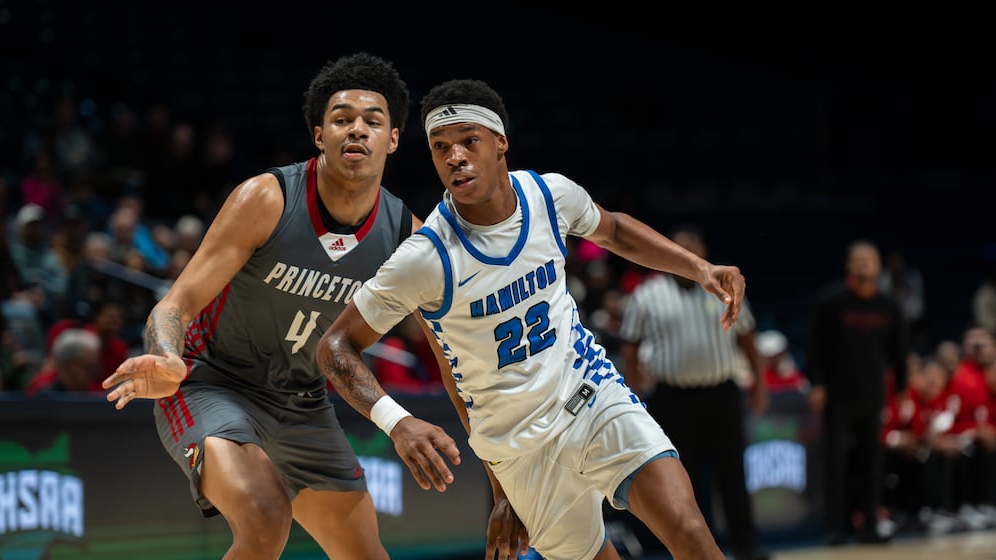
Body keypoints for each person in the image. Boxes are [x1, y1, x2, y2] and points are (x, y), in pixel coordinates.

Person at [317, 78, 746, 560]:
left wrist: (698, 267)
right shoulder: (425, 259)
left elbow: (616, 230)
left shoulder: (551, 195)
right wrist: (399, 424)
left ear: (500, 142)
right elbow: (335, 346)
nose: (455, 156)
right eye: (441, 147)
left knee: (689, 531)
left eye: (468, 141)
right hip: (518, 449)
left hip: (590, 396)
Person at [100, 53, 459, 560]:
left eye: (372, 121)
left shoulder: (407, 237)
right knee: (266, 519)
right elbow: (174, 304)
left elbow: (453, 353)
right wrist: (167, 357)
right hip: (211, 382)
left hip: (302, 400)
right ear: (319, 135)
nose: (356, 129)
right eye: (341, 119)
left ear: (394, 139)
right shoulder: (266, 199)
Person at [618, 223, 771, 560]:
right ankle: (703, 548)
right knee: (686, 478)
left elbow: (748, 337)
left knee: (732, 473)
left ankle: (746, 546)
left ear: (701, 252)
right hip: (673, 398)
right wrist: (633, 385)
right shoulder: (647, 294)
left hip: (722, 393)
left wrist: (759, 385)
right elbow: (630, 344)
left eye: (692, 248)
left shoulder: (724, 289)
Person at [806, 239, 909, 545]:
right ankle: (836, 528)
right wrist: (818, 383)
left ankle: (869, 526)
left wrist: (901, 389)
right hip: (837, 394)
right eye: (859, 259)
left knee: (872, 462)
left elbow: (899, 352)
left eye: (870, 259)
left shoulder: (889, 305)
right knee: (836, 462)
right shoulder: (831, 301)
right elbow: (815, 347)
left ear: (878, 266)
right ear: (849, 265)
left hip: (872, 394)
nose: (864, 264)